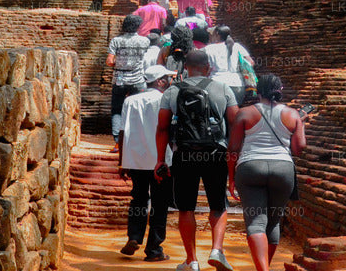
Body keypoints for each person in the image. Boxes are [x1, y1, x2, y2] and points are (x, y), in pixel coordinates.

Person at [155, 49, 240, 271]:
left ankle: (191, 260)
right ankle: (217, 250)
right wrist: (233, 156)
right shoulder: (223, 88)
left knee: (185, 208)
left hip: (184, 154)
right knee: (218, 205)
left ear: (186, 68)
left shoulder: (172, 91)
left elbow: (162, 127)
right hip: (215, 154)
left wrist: (159, 160)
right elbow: (236, 124)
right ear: (208, 67)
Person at [227, 74, 306, 271]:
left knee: (255, 222)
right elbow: (298, 148)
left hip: (251, 167)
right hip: (283, 169)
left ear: (257, 92)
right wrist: (300, 123)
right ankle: (264, 267)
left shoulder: (245, 113)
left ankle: (263, 269)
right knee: (273, 222)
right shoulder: (292, 114)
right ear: (280, 90)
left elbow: (233, 149)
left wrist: (231, 177)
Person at [119, 64, 178, 262]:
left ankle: (134, 237)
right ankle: (154, 250)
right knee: (160, 204)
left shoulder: (130, 100)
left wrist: (122, 162)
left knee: (138, 199)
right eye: (168, 78)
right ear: (160, 81)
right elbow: (170, 131)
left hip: (135, 160)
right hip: (161, 161)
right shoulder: (166, 99)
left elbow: (122, 132)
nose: (170, 81)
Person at [108, 14, 151, 152]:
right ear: (138, 26)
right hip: (138, 80)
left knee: (117, 110)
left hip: (120, 79)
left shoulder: (116, 41)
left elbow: (109, 61)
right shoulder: (145, 41)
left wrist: (120, 63)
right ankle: (137, 141)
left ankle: (117, 142)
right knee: (140, 109)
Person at [205, 25, 256, 103]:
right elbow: (251, 62)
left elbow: (208, 68)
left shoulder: (209, 48)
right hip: (237, 85)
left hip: (216, 83)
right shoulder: (238, 47)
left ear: (217, 34)